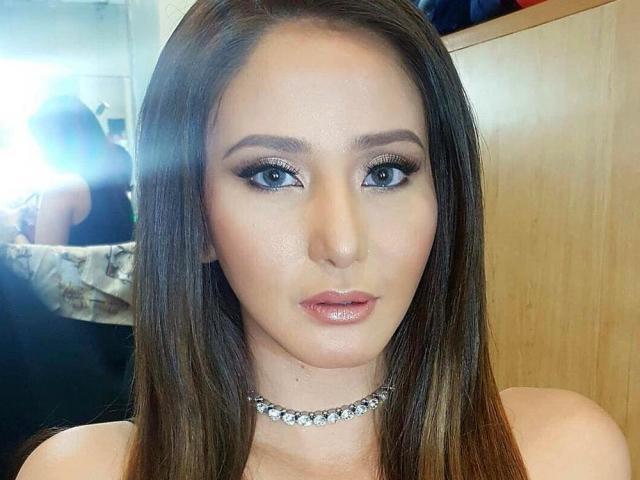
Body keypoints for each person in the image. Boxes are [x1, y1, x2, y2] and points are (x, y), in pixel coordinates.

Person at [15, 1, 631, 479]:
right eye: (272, 175)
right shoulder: (85, 472)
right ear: (194, 218)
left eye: (385, 173)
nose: (341, 242)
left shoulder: (563, 454)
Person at [28, 96, 134, 246]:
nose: (41, 152)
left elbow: (43, 260)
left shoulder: (64, 187)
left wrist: (15, 231)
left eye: (42, 143)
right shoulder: (114, 188)